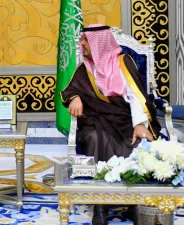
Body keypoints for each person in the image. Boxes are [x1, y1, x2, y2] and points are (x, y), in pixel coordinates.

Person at [61, 24, 161, 225]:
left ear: (99, 43)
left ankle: (133, 203)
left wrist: (140, 124)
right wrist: (74, 98)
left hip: (125, 120)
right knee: (95, 138)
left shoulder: (123, 63)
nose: (81, 45)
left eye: (85, 41)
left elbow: (137, 98)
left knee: (134, 141)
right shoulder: (85, 68)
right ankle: (100, 205)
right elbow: (71, 89)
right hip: (95, 121)